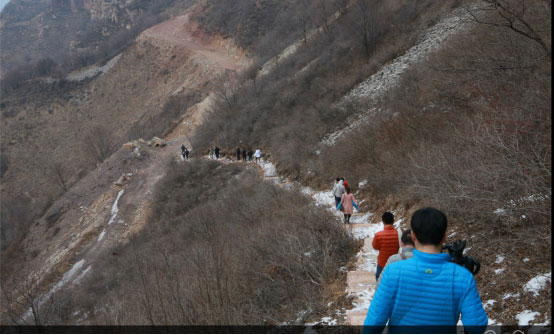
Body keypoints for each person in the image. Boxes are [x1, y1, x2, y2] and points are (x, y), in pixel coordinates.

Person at [363, 207, 488, 334]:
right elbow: (476, 327)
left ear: (413, 236)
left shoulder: (393, 272)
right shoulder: (463, 277)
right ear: (444, 237)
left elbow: (373, 325)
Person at [372, 212, 399, 281]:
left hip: (382, 263)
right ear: (393, 221)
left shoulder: (378, 235)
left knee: (380, 282)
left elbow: (375, 247)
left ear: (383, 222)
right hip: (395, 262)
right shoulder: (398, 234)